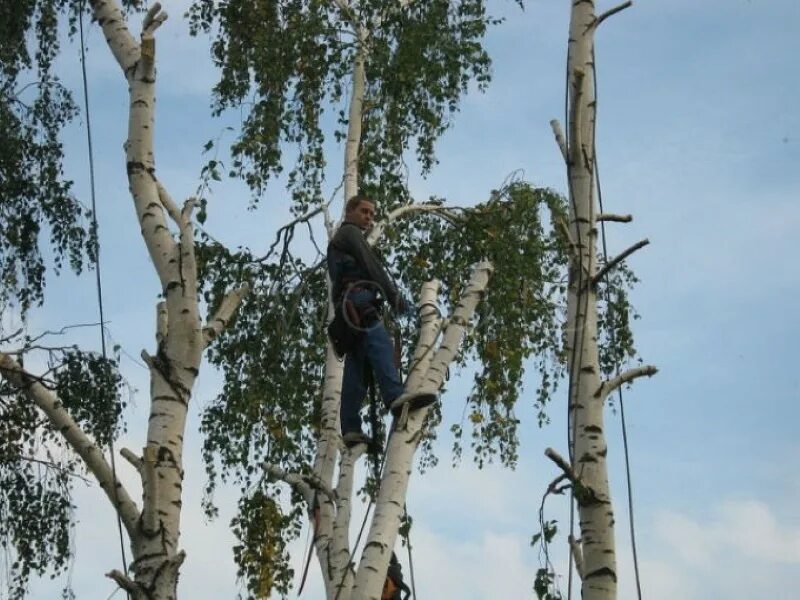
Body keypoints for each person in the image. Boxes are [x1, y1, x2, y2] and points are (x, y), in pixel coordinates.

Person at [327, 194, 435, 447]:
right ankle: (395, 397)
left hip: (348, 308)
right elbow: (371, 264)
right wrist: (393, 296)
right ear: (349, 211)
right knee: (380, 345)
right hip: (358, 302)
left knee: (359, 366)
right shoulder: (350, 234)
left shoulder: (341, 241)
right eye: (364, 211)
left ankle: (351, 427)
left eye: (372, 214)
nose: (369, 217)